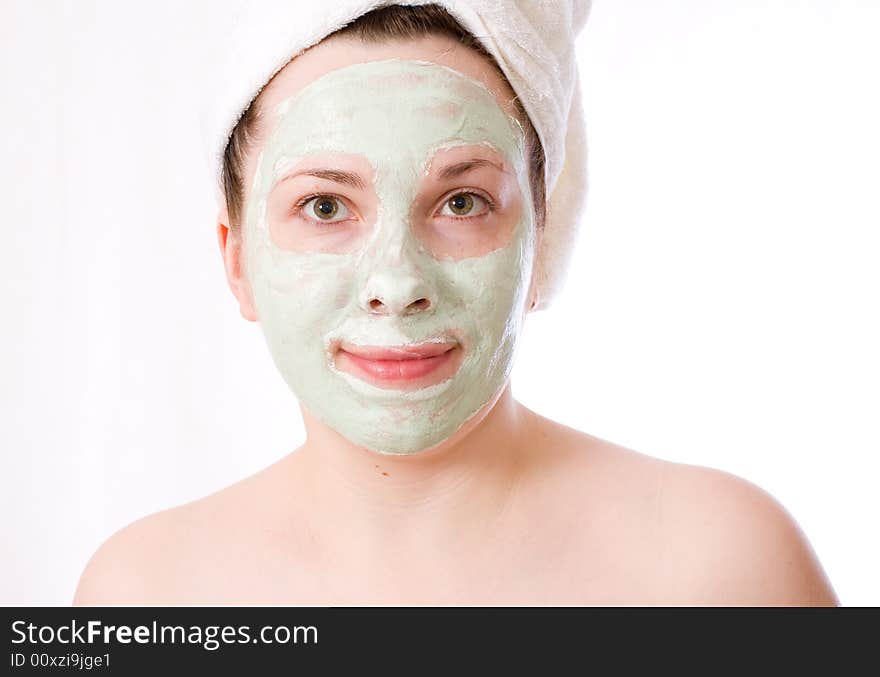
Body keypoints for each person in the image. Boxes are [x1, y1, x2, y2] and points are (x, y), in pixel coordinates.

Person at [74, 3, 838, 605]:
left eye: (463, 200)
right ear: (236, 257)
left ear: (547, 234)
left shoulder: (725, 572)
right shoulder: (144, 596)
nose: (397, 280)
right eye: (326, 207)